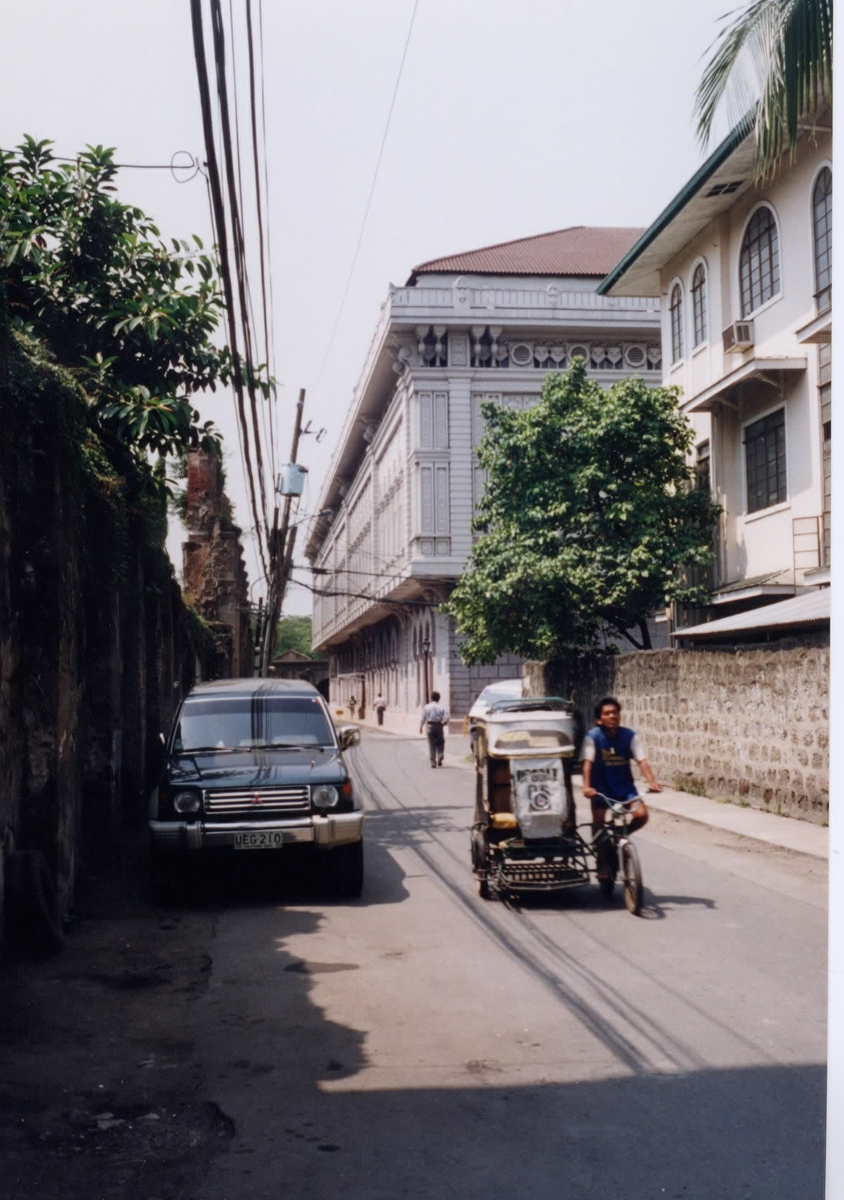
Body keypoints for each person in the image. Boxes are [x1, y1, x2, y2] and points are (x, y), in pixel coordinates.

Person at [581, 696, 661, 878]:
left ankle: (620, 834)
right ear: (599, 719)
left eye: (615, 712)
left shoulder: (629, 736)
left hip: (625, 788)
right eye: (607, 713)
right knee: (599, 822)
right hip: (600, 788)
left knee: (642, 815)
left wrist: (651, 781)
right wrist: (587, 787)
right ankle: (602, 864)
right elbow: (587, 763)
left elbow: (641, 760)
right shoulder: (593, 737)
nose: (612, 716)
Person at [419, 691, 449, 768]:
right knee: (440, 742)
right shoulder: (442, 707)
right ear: (439, 698)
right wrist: (444, 723)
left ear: (431, 698)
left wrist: (421, 726)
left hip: (429, 726)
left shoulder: (426, 707)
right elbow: (446, 717)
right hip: (438, 725)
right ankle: (440, 755)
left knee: (431, 744)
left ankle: (433, 762)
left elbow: (423, 717)